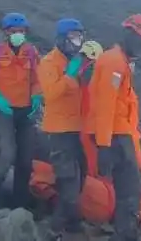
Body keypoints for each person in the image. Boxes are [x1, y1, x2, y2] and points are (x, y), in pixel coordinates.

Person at [85, 14, 141, 241]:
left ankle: (121, 231)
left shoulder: (118, 62)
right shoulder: (115, 63)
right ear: (129, 34)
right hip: (116, 136)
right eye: (140, 40)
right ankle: (123, 235)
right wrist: (105, 145)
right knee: (132, 191)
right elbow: (105, 105)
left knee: (129, 189)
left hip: (120, 133)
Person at [0, 12, 42, 209]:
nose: (18, 35)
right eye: (14, 31)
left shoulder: (32, 52)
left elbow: (37, 80)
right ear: (6, 33)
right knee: (7, 155)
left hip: (26, 111)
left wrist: (36, 97)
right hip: (4, 110)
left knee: (26, 159)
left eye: (21, 31)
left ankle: (19, 203)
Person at [37, 18, 87, 240]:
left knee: (81, 175)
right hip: (59, 131)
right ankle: (57, 227)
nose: (77, 41)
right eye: (73, 37)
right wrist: (69, 75)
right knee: (68, 179)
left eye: (79, 37)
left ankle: (71, 220)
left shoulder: (75, 60)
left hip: (78, 129)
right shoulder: (49, 62)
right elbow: (51, 94)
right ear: (61, 39)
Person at [77, 40, 104, 177]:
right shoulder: (90, 72)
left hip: (90, 122)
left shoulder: (90, 71)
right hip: (88, 122)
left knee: (90, 155)